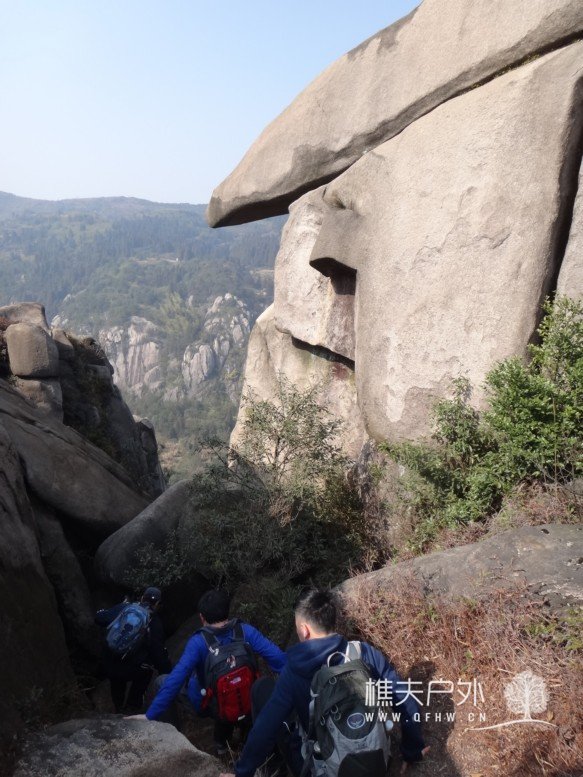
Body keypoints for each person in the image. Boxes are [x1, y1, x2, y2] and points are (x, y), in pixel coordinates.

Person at [220, 589, 429, 777]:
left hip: (325, 769)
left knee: (263, 690)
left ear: (304, 630)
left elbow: (266, 727)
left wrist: (242, 772)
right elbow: (403, 697)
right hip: (376, 761)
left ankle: (276, 767)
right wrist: (413, 748)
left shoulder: (294, 672)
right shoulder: (363, 653)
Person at [129, 589, 287, 756]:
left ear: (202, 617)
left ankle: (175, 739)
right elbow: (279, 659)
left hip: (209, 704)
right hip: (246, 696)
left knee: (161, 681)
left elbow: (175, 680)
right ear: (227, 611)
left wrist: (150, 715)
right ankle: (238, 736)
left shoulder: (198, 643)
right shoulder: (246, 631)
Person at [95, 586, 171, 713]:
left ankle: (118, 707)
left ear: (142, 598)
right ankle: (132, 705)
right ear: (157, 604)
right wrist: (168, 673)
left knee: (116, 673)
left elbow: (99, 618)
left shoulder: (124, 608)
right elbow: (159, 655)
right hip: (131, 669)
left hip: (110, 664)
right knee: (147, 669)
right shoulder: (155, 623)